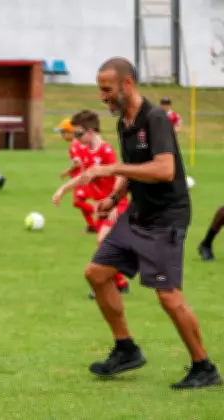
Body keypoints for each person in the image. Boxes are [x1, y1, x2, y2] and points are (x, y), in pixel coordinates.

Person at [77, 56, 220, 389]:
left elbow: (164, 170)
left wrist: (112, 170)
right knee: (97, 274)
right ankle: (126, 349)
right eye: (100, 90)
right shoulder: (123, 122)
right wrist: (113, 198)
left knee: (168, 296)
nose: (103, 97)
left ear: (127, 83)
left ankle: (204, 366)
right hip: (137, 213)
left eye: (107, 89)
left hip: (165, 218)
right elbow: (133, 166)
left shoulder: (154, 118)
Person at [51, 110, 130, 298]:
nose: (76, 138)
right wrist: (63, 189)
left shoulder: (106, 151)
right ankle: (120, 283)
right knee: (106, 243)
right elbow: (84, 177)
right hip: (102, 206)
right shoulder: (86, 151)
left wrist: (113, 200)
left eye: (79, 134)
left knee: (102, 241)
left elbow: (120, 174)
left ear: (91, 131)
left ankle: (100, 285)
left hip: (116, 204)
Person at [57, 117, 96, 233]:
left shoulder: (74, 146)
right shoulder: (81, 144)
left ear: (71, 132)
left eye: (63, 132)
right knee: (80, 201)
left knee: (77, 202)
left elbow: (78, 163)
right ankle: (92, 226)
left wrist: (68, 171)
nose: (62, 136)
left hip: (81, 178)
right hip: (85, 177)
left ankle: (103, 212)